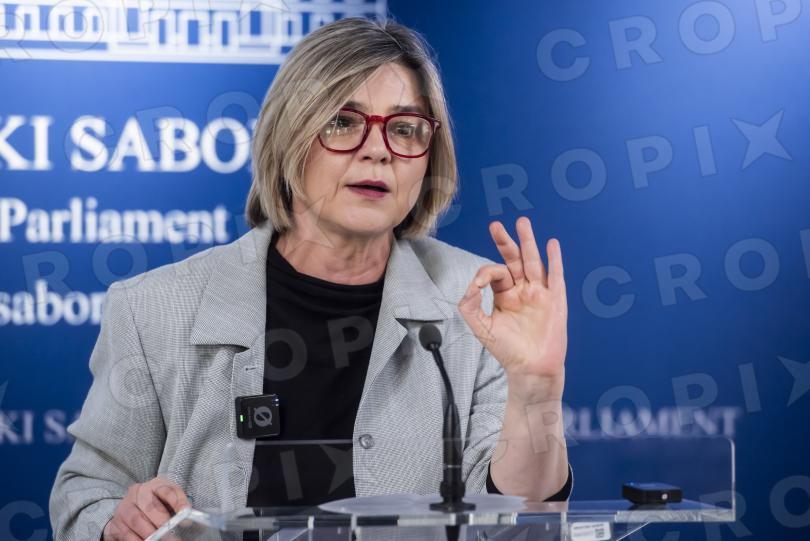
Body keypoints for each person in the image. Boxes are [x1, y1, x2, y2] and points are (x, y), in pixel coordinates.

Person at [49, 17, 572, 541]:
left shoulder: (476, 300)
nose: (378, 150)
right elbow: (86, 497)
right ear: (290, 136)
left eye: (404, 128)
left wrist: (537, 389)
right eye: (343, 121)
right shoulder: (154, 309)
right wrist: (117, 523)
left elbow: (515, 522)